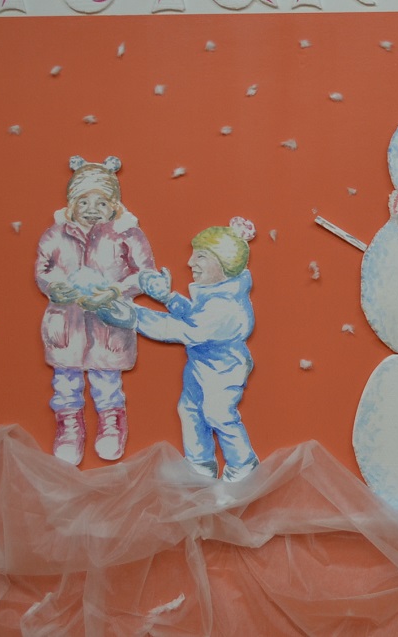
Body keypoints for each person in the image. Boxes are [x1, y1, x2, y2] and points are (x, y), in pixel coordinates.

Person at [34, 155, 156, 465]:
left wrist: (116, 290)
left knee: (107, 379)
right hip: (66, 323)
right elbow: (43, 270)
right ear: (72, 203)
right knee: (66, 379)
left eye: (101, 202)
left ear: (114, 205)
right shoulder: (55, 235)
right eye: (84, 201)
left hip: (108, 323)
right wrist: (54, 287)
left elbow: (145, 274)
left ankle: (111, 422)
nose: (92, 209)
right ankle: (69, 426)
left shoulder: (127, 235)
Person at [133, 217, 260, 481]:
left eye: (200, 256)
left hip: (224, 369)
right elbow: (195, 315)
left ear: (223, 264)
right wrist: (168, 298)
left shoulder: (226, 307)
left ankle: (243, 464)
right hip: (200, 366)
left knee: (218, 413)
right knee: (190, 410)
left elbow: (186, 330)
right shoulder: (215, 296)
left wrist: (134, 316)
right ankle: (200, 463)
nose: (190, 263)